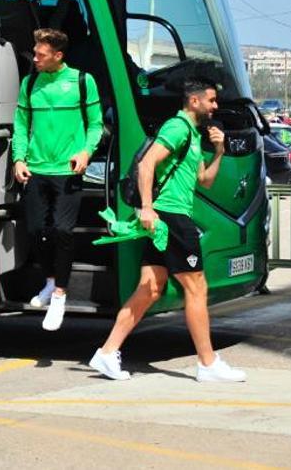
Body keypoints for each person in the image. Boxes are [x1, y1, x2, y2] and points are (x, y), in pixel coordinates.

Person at [88, 76, 246, 383]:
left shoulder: (192, 134)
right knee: (196, 287)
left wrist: (219, 151)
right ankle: (208, 363)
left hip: (169, 217)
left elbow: (205, 180)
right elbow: (147, 164)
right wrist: (147, 208)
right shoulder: (177, 128)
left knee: (150, 288)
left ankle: (107, 353)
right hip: (171, 217)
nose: (215, 106)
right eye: (211, 100)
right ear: (194, 101)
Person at [13, 28, 104, 332]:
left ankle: (60, 296)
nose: (35, 59)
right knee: (37, 230)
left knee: (63, 231)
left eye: (41, 54)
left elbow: (96, 124)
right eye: (35, 53)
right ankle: (50, 282)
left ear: (58, 55)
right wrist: (19, 158)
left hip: (68, 171)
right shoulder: (30, 83)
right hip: (36, 169)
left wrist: (86, 151)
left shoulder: (82, 81)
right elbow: (21, 125)